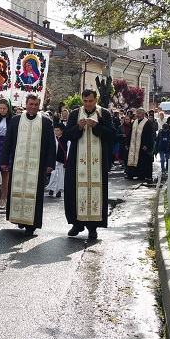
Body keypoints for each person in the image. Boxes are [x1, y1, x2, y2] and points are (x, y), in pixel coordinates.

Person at [0, 94, 56, 236]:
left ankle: (31, 224)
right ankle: (19, 218)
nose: (33, 107)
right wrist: (4, 161)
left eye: (36, 104)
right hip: (19, 164)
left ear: (39, 105)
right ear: (26, 104)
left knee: (35, 194)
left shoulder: (46, 122)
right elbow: (8, 142)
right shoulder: (16, 120)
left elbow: (51, 145)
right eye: (31, 104)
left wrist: (50, 163)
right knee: (17, 190)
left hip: (37, 166)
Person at [63, 89, 115, 239]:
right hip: (76, 162)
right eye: (85, 101)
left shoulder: (104, 113)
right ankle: (77, 224)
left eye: (90, 101)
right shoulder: (74, 114)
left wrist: (97, 127)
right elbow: (66, 135)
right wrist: (78, 127)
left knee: (96, 193)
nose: (88, 104)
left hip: (97, 163)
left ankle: (93, 228)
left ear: (96, 100)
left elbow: (112, 135)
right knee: (74, 191)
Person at [125, 108, 155, 181]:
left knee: (142, 161)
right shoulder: (134, 122)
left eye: (139, 113)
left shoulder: (148, 123)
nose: (138, 115)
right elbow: (130, 133)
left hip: (142, 146)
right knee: (131, 158)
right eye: (137, 113)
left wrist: (146, 145)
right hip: (133, 145)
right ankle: (131, 174)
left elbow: (150, 136)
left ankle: (141, 175)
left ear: (143, 114)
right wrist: (127, 143)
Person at [46, 123, 69, 198]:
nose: (56, 132)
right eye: (55, 130)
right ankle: (51, 188)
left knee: (61, 176)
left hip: (62, 161)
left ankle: (59, 190)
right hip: (54, 160)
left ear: (62, 131)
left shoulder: (66, 139)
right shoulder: (53, 139)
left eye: (57, 130)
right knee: (53, 175)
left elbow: (67, 149)